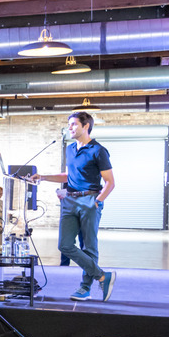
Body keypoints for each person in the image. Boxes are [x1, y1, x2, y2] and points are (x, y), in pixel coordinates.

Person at [32, 110, 117, 302]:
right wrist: (43, 177)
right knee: (65, 245)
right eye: (69, 124)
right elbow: (68, 176)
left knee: (89, 246)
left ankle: (85, 288)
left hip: (89, 200)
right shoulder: (70, 149)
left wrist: (97, 202)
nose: (69, 127)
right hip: (69, 200)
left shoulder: (98, 151)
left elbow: (110, 182)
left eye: (73, 124)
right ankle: (102, 276)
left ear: (86, 126)